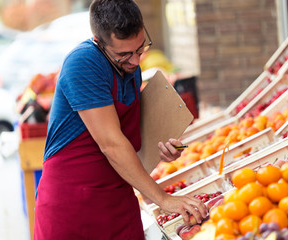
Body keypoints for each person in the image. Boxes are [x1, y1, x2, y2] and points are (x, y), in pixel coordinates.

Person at [33, 0, 208, 239]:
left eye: (140, 49)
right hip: (73, 202)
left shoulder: (129, 67)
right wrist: (162, 199)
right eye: (123, 54)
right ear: (98, 41)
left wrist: (163, 147)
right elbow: (112, 143)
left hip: (117, 196)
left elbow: (131, 139)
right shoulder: (83, 63)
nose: (135, 62)